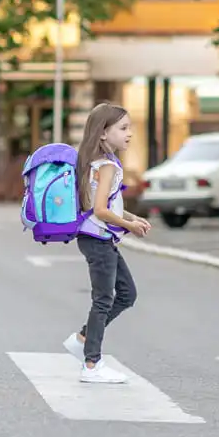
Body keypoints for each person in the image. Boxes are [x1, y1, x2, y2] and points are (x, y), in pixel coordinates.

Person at [62, 102, 151, 384]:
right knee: (103, 300)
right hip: (97, 240)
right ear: (103, 133)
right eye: (123, 128)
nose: (130, 134)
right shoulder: (107, 165)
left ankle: (83, 339)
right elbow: (100, 210)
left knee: (127, 294)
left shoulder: (97, 163)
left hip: (97, 239)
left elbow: (101, 205)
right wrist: (129, 225)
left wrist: (131, 216)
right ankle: (91, 363)